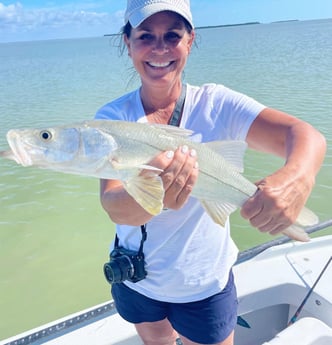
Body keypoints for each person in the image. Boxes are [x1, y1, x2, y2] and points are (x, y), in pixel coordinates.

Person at [95, 1, 326, 344]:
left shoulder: (219, 105)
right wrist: (158, 192)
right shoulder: (112, 119)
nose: (159, 48)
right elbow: (113, 204)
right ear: (127, 42)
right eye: (146, 36)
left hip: (203, 283)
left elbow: (305, 135)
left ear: (190, 40)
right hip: (136, 277)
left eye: (172, 35)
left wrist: (297, 177)